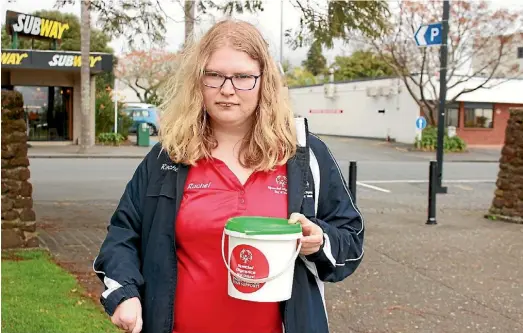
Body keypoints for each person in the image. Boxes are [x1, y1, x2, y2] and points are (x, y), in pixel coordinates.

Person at [93, 19, 364, 333]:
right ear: (199, 80)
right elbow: (122, 237)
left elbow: (350, 240)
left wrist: (319, 241)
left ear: (265, 81)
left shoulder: (302, 154)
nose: (227, 89)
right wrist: (124, 293)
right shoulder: (169, 157)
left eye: (243, 77)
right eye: (214, 76)